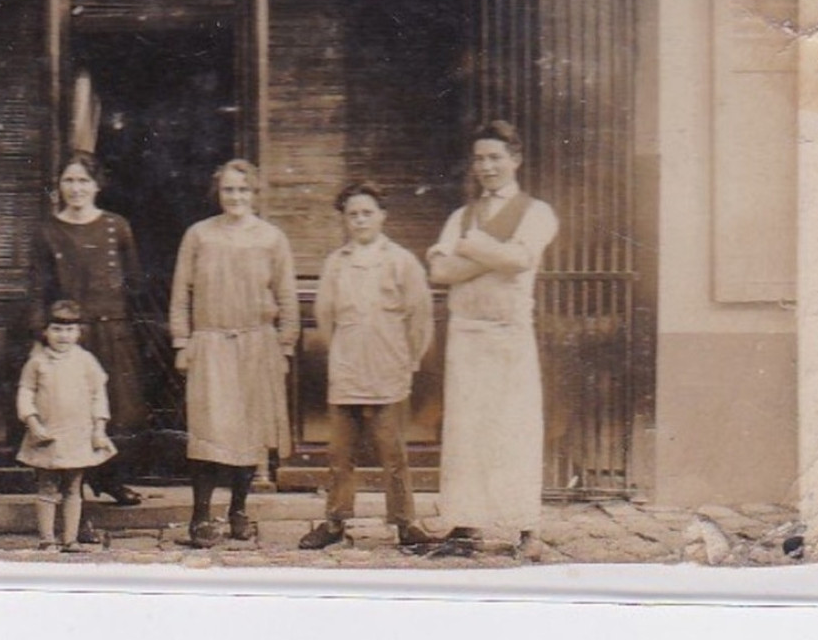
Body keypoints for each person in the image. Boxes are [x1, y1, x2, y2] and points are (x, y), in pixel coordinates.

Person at [426, 121, 559, 559]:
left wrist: (472, 246)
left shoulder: (536, 212)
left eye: (495, 157)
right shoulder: (459, 216)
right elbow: (439, 272)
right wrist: (490, 255)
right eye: (480, 158)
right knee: (466, 431)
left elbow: (521, 259)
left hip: (509, 336)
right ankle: (466, 526)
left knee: (514, 429)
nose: (487, 166)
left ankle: (525, 528)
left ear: (515, 160)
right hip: (466, 335)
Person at [298, 181, 439, 551]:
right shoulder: (336, 263)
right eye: (352, 214)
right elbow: (324, 315)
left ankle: (405, 523)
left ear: (382, 216)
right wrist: (342, 351)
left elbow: (420, 315)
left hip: (388, 370)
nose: (360, 220)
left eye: (367, 213)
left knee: (392, 454)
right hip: (347, 371)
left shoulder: (401, 261)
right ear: (344, 220)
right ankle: (334, 521)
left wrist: (408, 359)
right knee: (340, 455)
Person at [169, 159, 298, 547]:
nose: (236, 197)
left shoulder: (272, 239)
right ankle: (201, 516)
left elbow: (287, 296)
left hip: (257, 346)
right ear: (218, 193)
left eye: (243, 190)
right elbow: (181, 294)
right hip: (210, 344)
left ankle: (239, 510)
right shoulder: (199, 235)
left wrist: (285, 345)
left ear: (255, 194)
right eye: (229, 190)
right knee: (208, 432)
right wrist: (181, 342)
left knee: (248, 433)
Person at [28, 153, 149, 507]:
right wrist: (40, 338)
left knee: (117, 410)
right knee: (69, 412)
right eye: (69, 181)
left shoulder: (117, 226)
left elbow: (135, 283)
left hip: (113, 332)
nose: (76, 188)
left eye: (83, 181)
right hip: (68, 337)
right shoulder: (47, 231)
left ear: (97, 185)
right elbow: (37, 290)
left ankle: (111, 479)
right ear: (59, 186)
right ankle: (73, 494)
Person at [16, 300, 116, 552]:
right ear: (45, 332)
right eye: (57, 329)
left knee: (73, 487)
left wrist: (99, 428)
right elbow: (25, 392)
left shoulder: (86, 361)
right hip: (48, 434)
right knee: (47, 486)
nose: (63, 336)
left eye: (70, 330)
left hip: (78, 434)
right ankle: (47, 539)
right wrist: (32, 421)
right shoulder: (37, 362)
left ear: (80, 332)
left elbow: (98, 395)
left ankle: (70, 539)